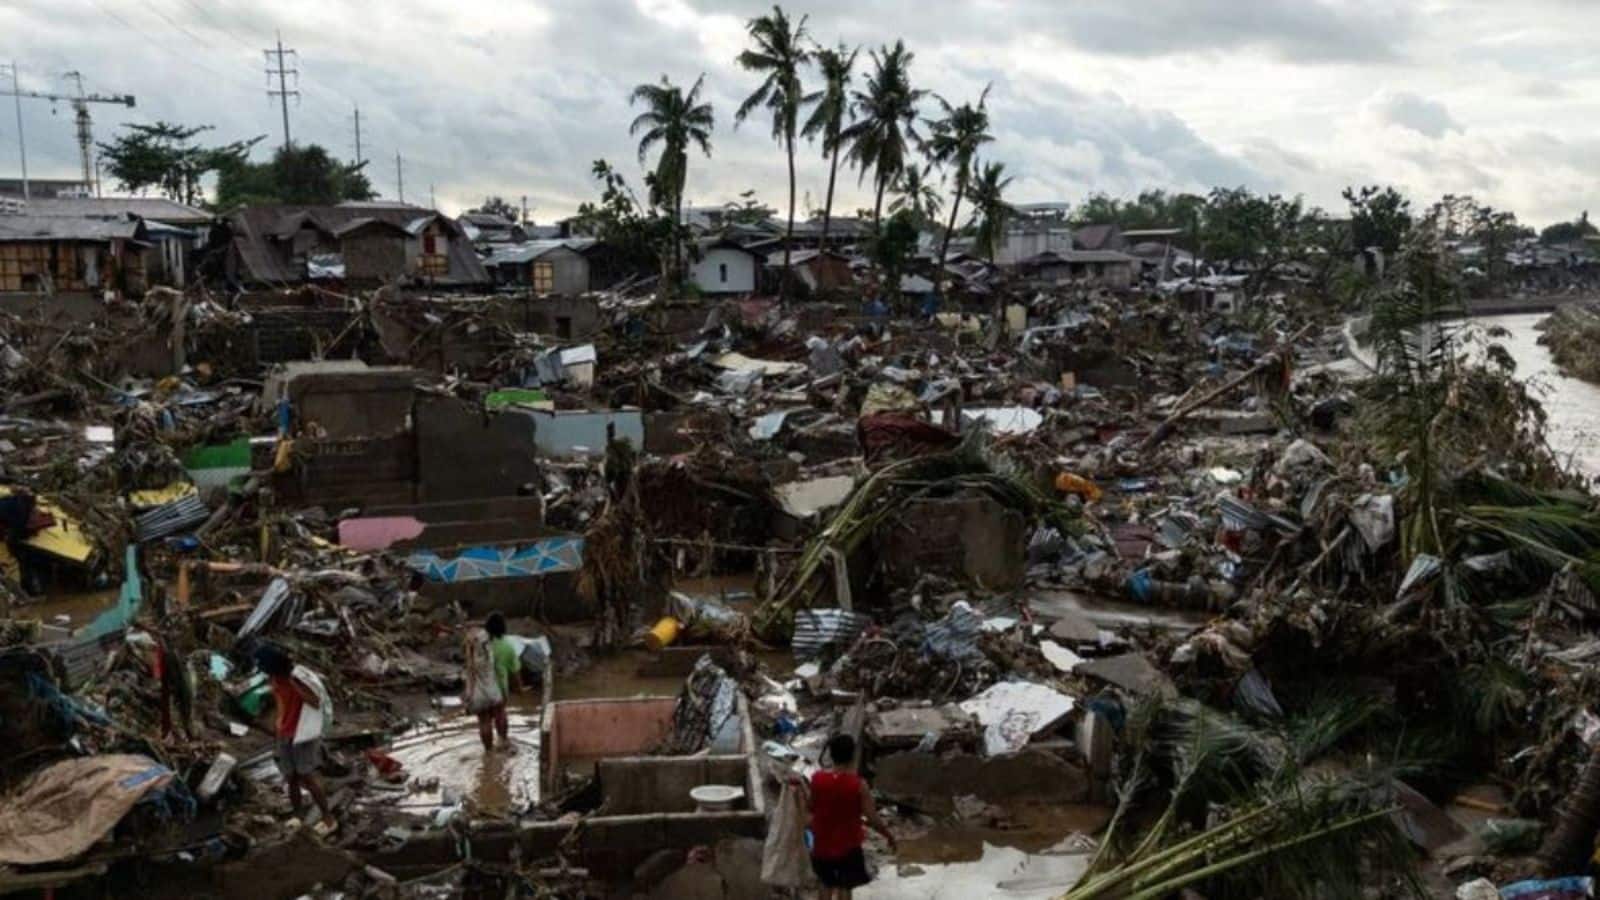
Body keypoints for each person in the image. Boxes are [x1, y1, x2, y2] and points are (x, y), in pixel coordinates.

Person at [256, 643, 336, 836]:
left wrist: (293, 683)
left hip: (303, 734)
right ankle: (298, 816)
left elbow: (315, 702)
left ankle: (328, 818)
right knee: (291, 777)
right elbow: (280, 702)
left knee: (307, 777)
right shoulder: (274, 679)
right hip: (285, 732)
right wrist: (278, 727)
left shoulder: (297, 678)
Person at [805, 733, 896, 898]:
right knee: (845, 888)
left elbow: (810, 808)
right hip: (848, 846)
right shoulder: (858, 785)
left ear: (831, 755)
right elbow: (872, 818)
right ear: (853, 756)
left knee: (825, 884)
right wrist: (888, 835)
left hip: (822, 845)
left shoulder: (817, 779)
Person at [466, 613, 520, 753]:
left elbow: (470, 671)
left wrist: (469, 694)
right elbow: (514, 672)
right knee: (500, 714)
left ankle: (488, 752)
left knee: (484, 722)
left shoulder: (477, 648)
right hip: (497, 689)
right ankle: (503, 740)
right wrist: (519, 688)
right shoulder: (505, 646)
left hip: (479, 691)